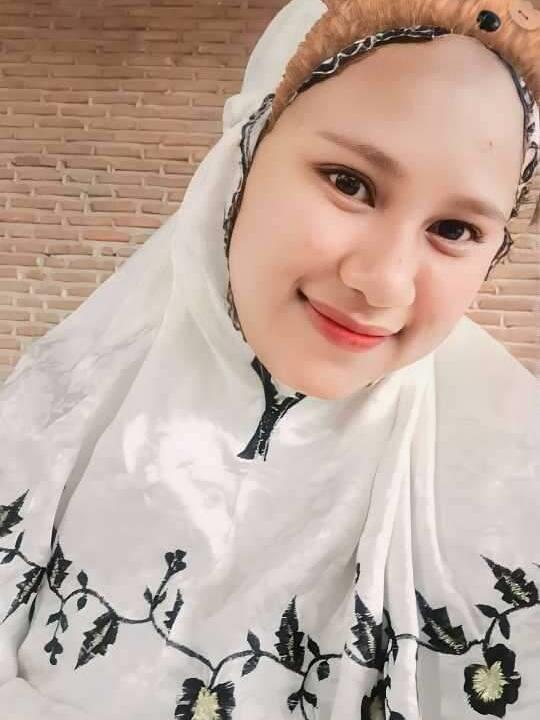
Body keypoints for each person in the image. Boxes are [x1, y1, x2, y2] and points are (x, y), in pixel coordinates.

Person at [0, 0, 538, 717]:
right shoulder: (56, 408)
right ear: (242, 161)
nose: (384, 282)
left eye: (454, 229)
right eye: (349, 183)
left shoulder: (513, 492)